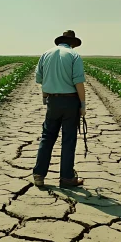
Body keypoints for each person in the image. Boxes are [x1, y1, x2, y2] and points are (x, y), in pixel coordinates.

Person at [32, 30, 86, 188]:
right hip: (70, 102)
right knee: (68, 140)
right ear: (72, 43)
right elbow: (79, 83)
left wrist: (45, 97)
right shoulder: (73, 56)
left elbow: (40, 78)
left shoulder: (46, 54)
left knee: (47, 137)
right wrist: (82, 105)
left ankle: (39, 175)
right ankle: (67, 178)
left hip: (53, 101)